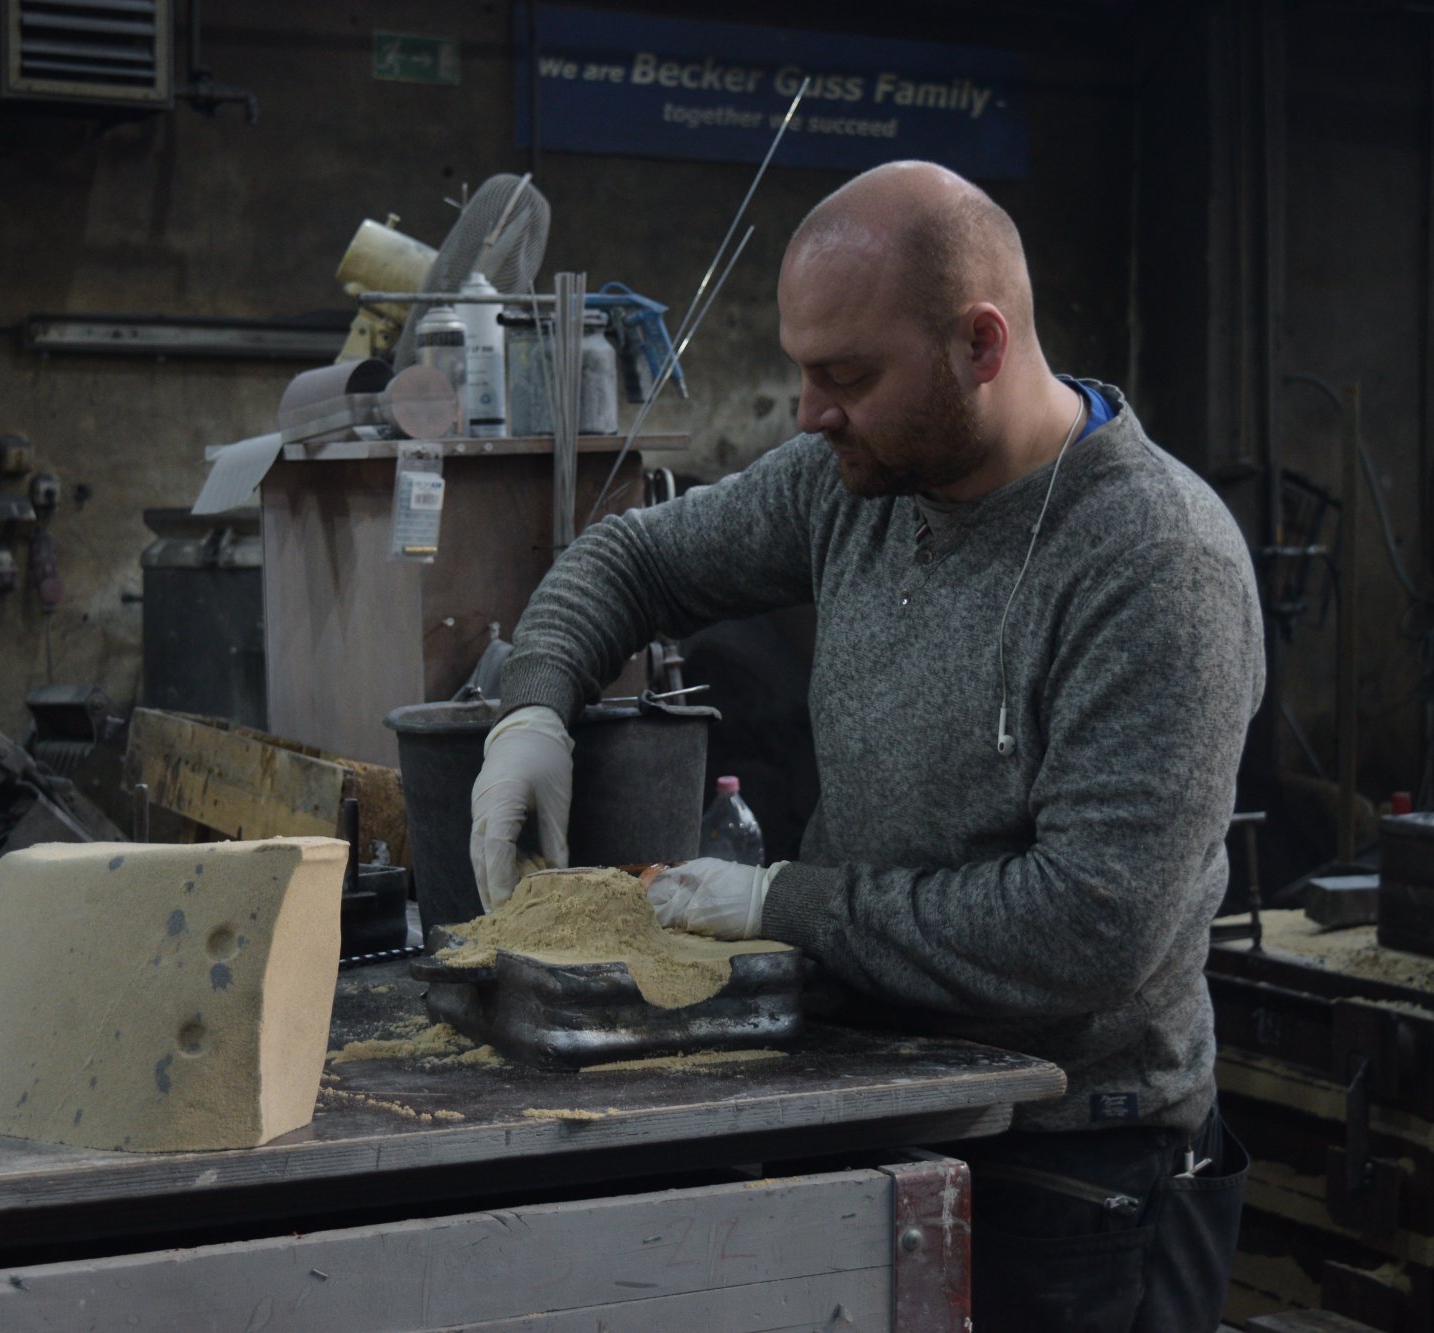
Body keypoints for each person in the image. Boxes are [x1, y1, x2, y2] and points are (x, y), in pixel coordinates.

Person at [467, 160, 1264, 1331]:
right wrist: (530, 708)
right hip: (868, 1103)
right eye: (801, 370)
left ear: (979, 345)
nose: (807, 413)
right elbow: (628, 560)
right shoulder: (856, 485)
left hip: (1067, 1174)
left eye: (845, 376)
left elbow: (1088, 928)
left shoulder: (1152, 565)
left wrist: (781, 904)